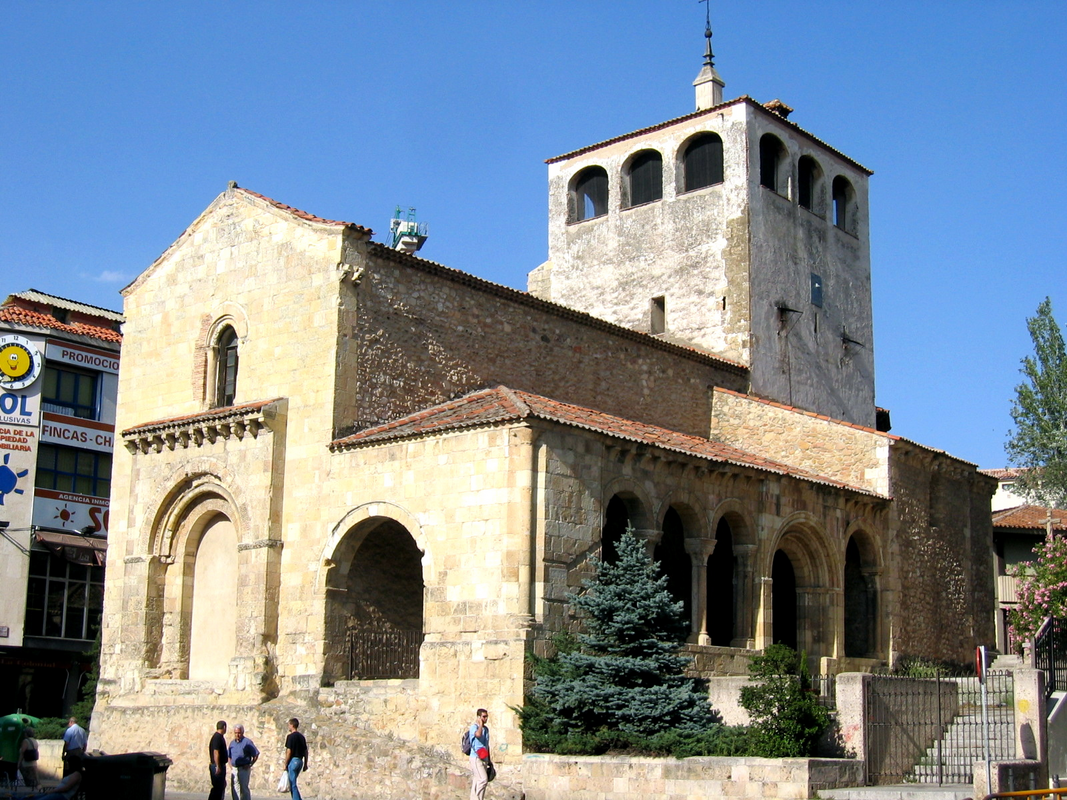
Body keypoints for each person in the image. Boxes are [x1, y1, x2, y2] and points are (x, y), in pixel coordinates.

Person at [227, 724, 259, 800]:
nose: (237, 735)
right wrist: (231, 766)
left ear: (242, 732)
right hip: (235, 768)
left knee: (244, 788)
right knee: (235, 788)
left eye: (239, 733)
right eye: (236, 733)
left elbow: (256, 754)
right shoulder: (232, 743)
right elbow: (229, 756)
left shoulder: (247, 742)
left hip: (244, 769)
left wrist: (250, 764)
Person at [283, 717, 308, 800]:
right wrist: (305, 764)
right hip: (300, 761)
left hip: (293, 761)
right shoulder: (302, 737)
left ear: (292, 725)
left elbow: (289, 751)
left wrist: (285, 763)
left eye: (289, 725)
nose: (288, 726)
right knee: (292, 783)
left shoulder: (290, 737)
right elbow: (305, 751)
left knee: (292, 784)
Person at [468, 708, 490, 800]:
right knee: (483, 779)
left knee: (477, 780)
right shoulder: (474, 727)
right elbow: (478, 735)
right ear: (479, 717)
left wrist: (489, 760)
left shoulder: (486, 729)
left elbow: (487, 745)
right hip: (476, 757)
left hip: (484, 757)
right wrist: (480, 724)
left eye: (486, 716)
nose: (486, 718)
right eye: (484, 717)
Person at [208, 720, 228, 800]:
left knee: (220, 787)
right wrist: (218, 766)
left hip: (219, 765)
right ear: (224, 727)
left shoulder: (219, 737)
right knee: (217, 788)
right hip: (217, 765)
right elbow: (216, 752)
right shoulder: (217, 737)